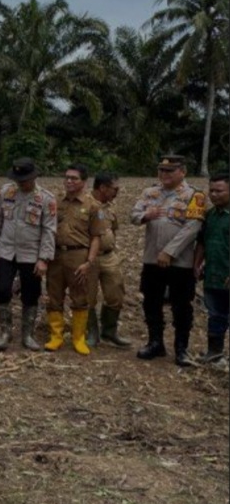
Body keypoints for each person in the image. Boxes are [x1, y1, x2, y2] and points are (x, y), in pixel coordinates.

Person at [130, 154, 206, 366]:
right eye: (162, 170)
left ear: (183, 172)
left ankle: (181, 348)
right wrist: (146, 215)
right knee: (151, 301)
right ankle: (156, 343)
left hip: (180, 262)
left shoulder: (194, 196)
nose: (164, 174)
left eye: (170, 171)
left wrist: (170, 252)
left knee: (182, 305)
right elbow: (133, 215)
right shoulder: (150, 192)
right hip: (152, 258)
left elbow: (193, 228)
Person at [0, 157, 57, 352]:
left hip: (31, 253)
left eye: (25, 180)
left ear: (34, 177)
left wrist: (44, 259)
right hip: (6, 250)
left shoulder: (46, 198)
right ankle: (5, 332)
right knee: (2, 289)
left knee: (31, 293)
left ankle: (27, 334)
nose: (21, 183)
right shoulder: (6, 192)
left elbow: (49, 230)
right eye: (18, 180)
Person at [44, 163, 105, 356]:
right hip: (56, 255)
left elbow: (96, 236)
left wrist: (89, 262)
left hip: (79, 255)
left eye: (74, 178)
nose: (69, 181)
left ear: (84, 182)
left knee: (80, 297)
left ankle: (78, 338)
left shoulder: (93, 206)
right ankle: (56, 336)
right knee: (54, 296)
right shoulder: (56, 203)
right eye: (67, 177)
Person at [88, 172, 132, 348]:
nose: (118, 192)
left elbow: (113, 230)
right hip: (89, 258)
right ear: (102, 188)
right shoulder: (86, 204)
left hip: (109, 256)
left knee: (116, 294)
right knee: (87, 297)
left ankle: (109, 330)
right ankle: (92, 333)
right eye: (115, 188)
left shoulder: (111, 207)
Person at [194, 173, 229, 364]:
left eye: (219, 191)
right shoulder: (210, 215)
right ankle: (215, 351)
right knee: (215, 314)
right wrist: (197, 264)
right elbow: (202, 242)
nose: (214, 195)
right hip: (213, 275)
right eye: (212, 190)